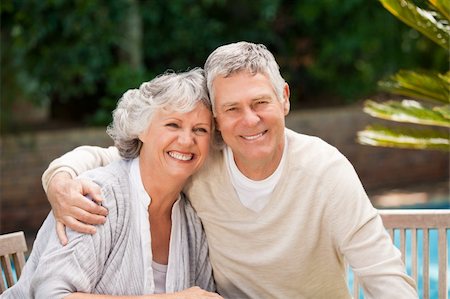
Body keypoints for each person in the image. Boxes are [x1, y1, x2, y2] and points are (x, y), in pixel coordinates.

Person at [41, 42, 418, 298]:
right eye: (232, 109)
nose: (249, 120)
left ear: (284, 98)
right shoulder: (195, 163)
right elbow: (117, 158)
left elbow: (384, 275)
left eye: (260, 102)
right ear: (219, 118)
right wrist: (60, 180)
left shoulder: (326, 171)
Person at [2, 68, 223, 298]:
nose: (187, 140)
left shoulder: (191, 221)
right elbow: (51, 295)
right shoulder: (97, 197)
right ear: (142, 130)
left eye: (200, 129)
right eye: (173, 125)